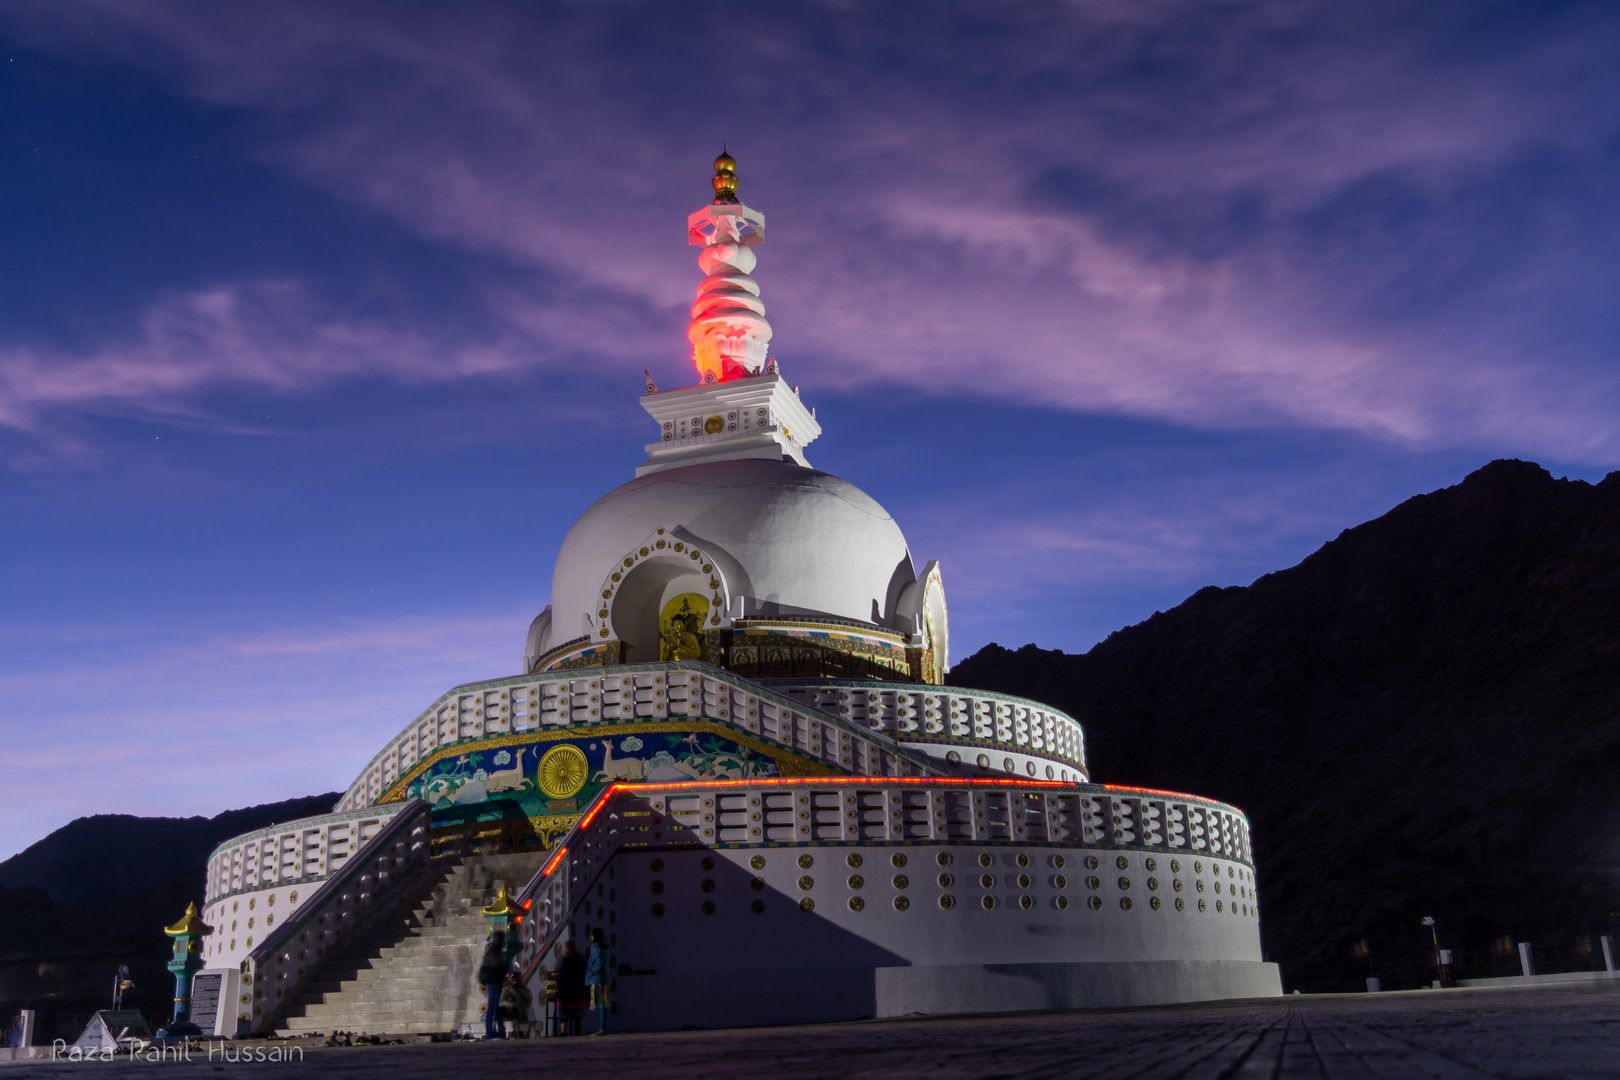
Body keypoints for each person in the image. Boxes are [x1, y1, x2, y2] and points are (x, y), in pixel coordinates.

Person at [477, 932, 507, 1039]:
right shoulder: (496, 950)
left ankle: (493, 1030)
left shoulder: (491, 949)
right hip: (495, 981)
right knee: (493, 1006)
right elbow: (498, 966)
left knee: (492, 1006)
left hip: (491, 980)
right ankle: (494, 1030)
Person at [584, 927, 613, 1036]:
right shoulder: (606, 946)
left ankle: (602, 1028)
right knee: (603, 1004)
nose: (590, 937)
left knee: (600, 1003)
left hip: (597, 978)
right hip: (605, 977)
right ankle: (602, 1027)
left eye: (591, 935)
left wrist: (590, 972)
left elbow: (598, 962)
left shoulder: (596, 947)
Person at [555, 939, 588, 1036]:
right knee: (577, 1014)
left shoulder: (564, 959)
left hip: (566, 991)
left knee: (563, 1014)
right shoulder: (581, 958)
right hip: (577, 990)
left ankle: (563, 1031)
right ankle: (577, 1031)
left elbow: (560, 974)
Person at [498, 972, 530, 1039]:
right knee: (512, 1011)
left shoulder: (523, 990)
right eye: (511, 979)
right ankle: (512, 1032)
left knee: (520, 1014)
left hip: (519, 1011)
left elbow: (527, 1001)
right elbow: (502, 1001)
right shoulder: (506, 989)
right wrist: (512, 1004)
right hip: (508, 1011)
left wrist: (520, 1005)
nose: (513, 981)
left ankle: (519, 1032)